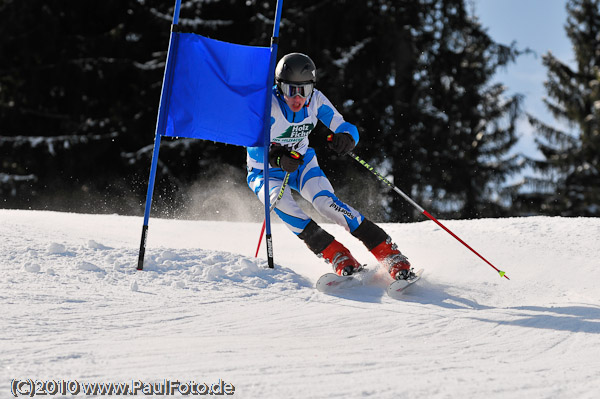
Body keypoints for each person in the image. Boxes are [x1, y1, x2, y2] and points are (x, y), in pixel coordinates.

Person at [246, 53, 415, 280]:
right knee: (283, 205)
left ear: (312, 88)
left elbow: (346, 126)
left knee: (326, 204)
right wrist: (277, 158)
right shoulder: (266, 104)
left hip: (302, 161)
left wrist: (346, 137)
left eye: (304, 90)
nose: (297, 98)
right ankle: (337, 254)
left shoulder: (316, 101)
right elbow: (252, 145)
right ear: (279, 87)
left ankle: (389, 253)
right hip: (263, 171)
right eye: (290, 90)